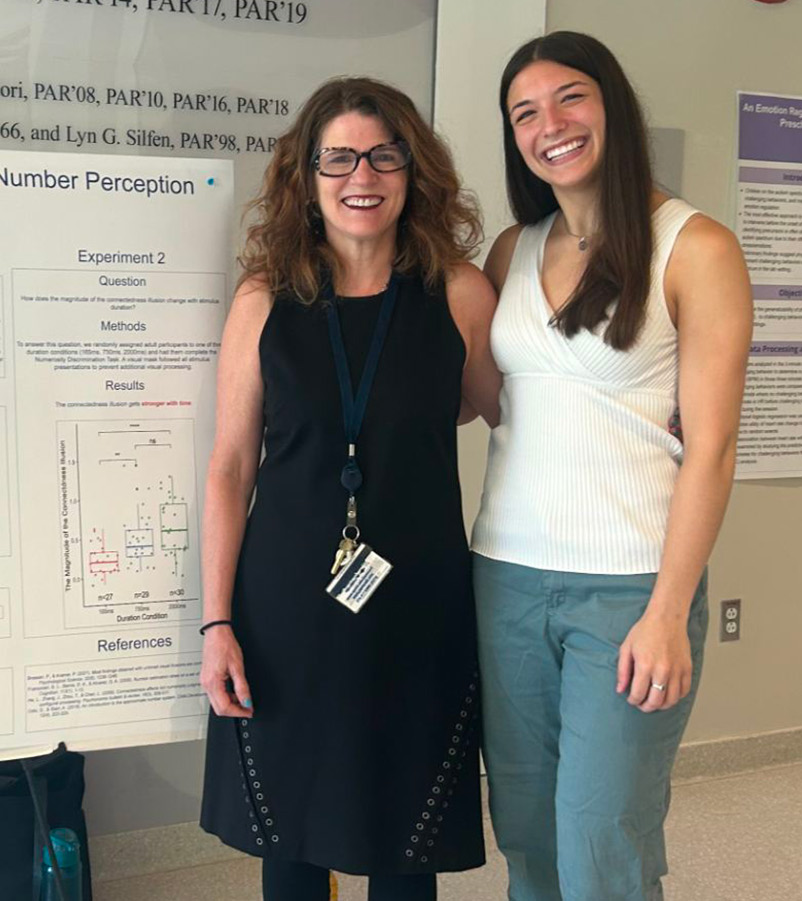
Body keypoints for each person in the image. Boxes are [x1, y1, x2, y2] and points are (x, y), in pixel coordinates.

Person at [197, 76, 501, 901]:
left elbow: (500, 407)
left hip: (419, 605)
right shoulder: (265, 300)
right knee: (291, 840)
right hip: (285, 608)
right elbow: (229, 466)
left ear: (414, 170)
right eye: (338, 158)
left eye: (382, 154)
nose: (360, 175)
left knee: (407, 842)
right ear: (307, 175)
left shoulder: (462, 294)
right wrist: (216, 621)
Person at [470, 31, 753, 901]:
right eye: (525, 112)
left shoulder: (695, 246)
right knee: (525, 830)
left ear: (612, 106)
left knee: (602, 837)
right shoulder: (512, 250)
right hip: (505, 579)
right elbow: (491, 400)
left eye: (570, 98)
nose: (548, 123)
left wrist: (669, 609)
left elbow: (712, 446)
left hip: (629, 589)